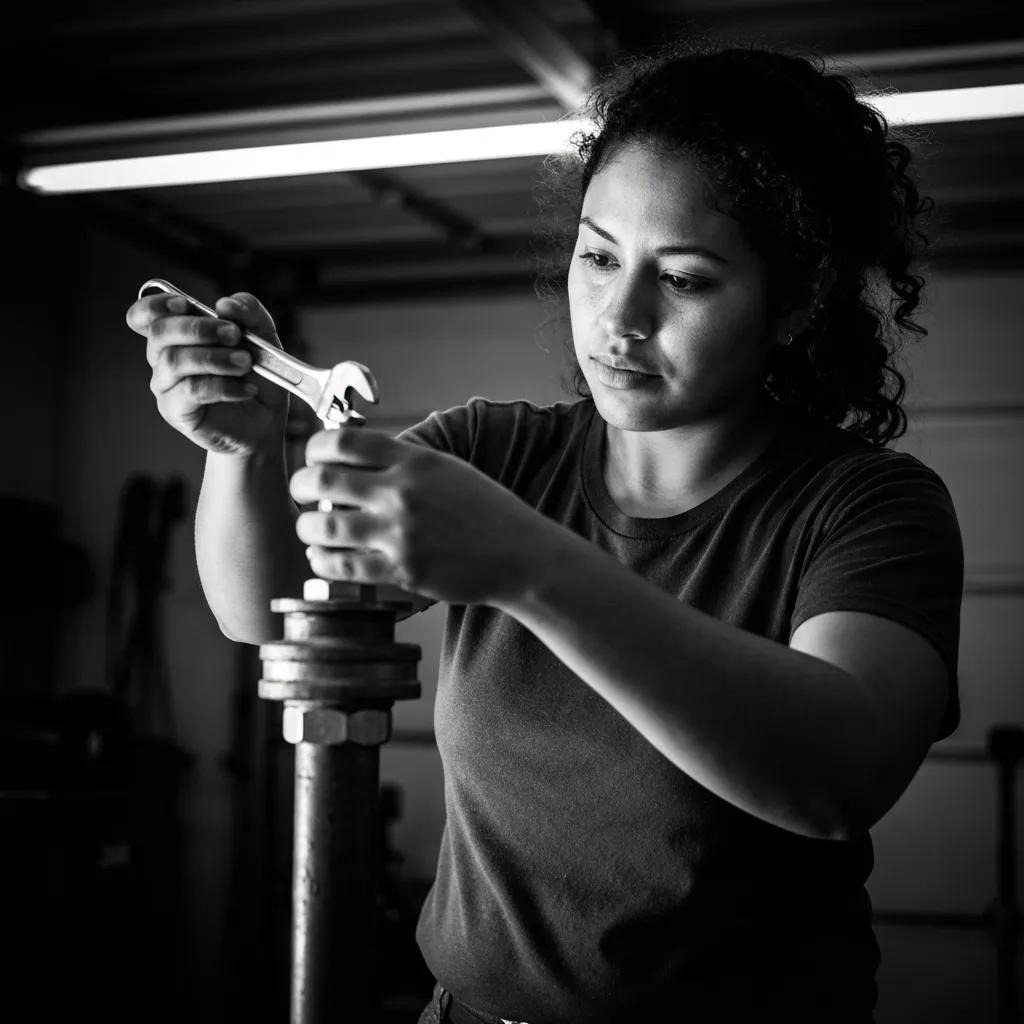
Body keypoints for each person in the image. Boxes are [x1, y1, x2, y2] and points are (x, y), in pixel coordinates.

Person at [127, 42, 964, 1024]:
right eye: (598, 256)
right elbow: (268, 617)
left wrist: (528, 565)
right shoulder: (493, 454)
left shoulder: (864, 507)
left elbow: (838, 772)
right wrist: (242, 450)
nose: (620, 318)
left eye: (685, 280)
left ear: (793, 304)